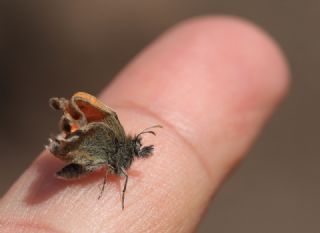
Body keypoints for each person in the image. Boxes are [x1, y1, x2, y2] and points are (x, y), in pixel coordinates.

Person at [0, 16, 289, 232]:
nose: (137, 146)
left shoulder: (121, 150)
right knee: (107, 123)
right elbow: (119, 168)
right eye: (137, 146)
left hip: (83, 156)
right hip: (80, 154)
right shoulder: (113, 136)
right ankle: (68, 141)